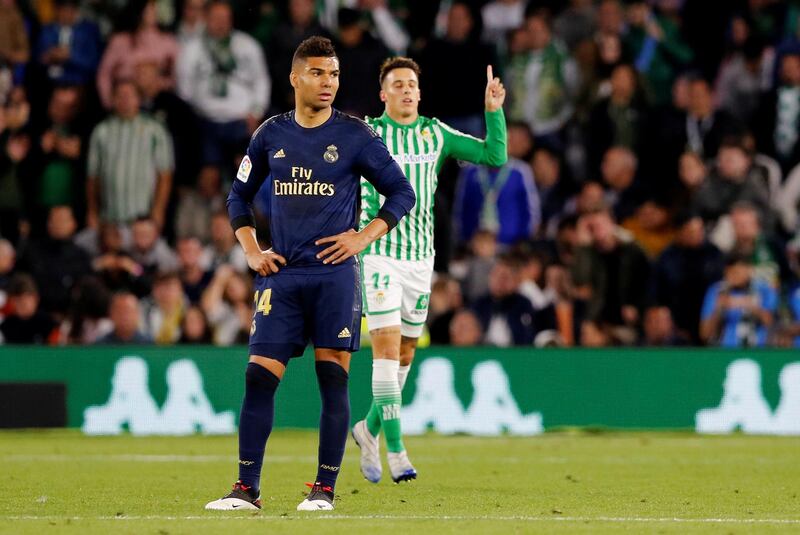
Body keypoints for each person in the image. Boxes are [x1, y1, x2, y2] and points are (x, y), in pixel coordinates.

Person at [204, 36, 414, 513]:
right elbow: (238, 196)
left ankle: (323, 489)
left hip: (334, 277)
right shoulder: (270, 134)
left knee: (332, 379)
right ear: (295, 77)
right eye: (318, 73)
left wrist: (362, 237)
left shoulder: (356, 134)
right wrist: (253, 250)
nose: (328, 83)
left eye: (335, 74)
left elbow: (401, 193)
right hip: (282, 276)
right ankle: (246, 489)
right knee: (258, 378)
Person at [351, 56, 506, 485]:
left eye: (411, 85)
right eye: (396, 84)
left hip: (421, 261)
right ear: (383, 94)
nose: (405, 90)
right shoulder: (366, 133)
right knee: (383, 351)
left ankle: (368, 428)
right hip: (379, 253)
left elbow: (495, 154)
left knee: (403, 357)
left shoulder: (436, 135)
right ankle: (397, 451)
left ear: (420, 92)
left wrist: (494, 111)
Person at [86, 80, 174, 229]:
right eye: (120, 96)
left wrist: (159, 210)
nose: (125, 100)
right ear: (112, 99)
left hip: (143, 218)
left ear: (138, 99)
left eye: (129, 96)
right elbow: (93, 176)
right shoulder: (101, 131)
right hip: (110, 218)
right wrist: (92, 211)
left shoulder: (155, 130)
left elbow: (165, 174)